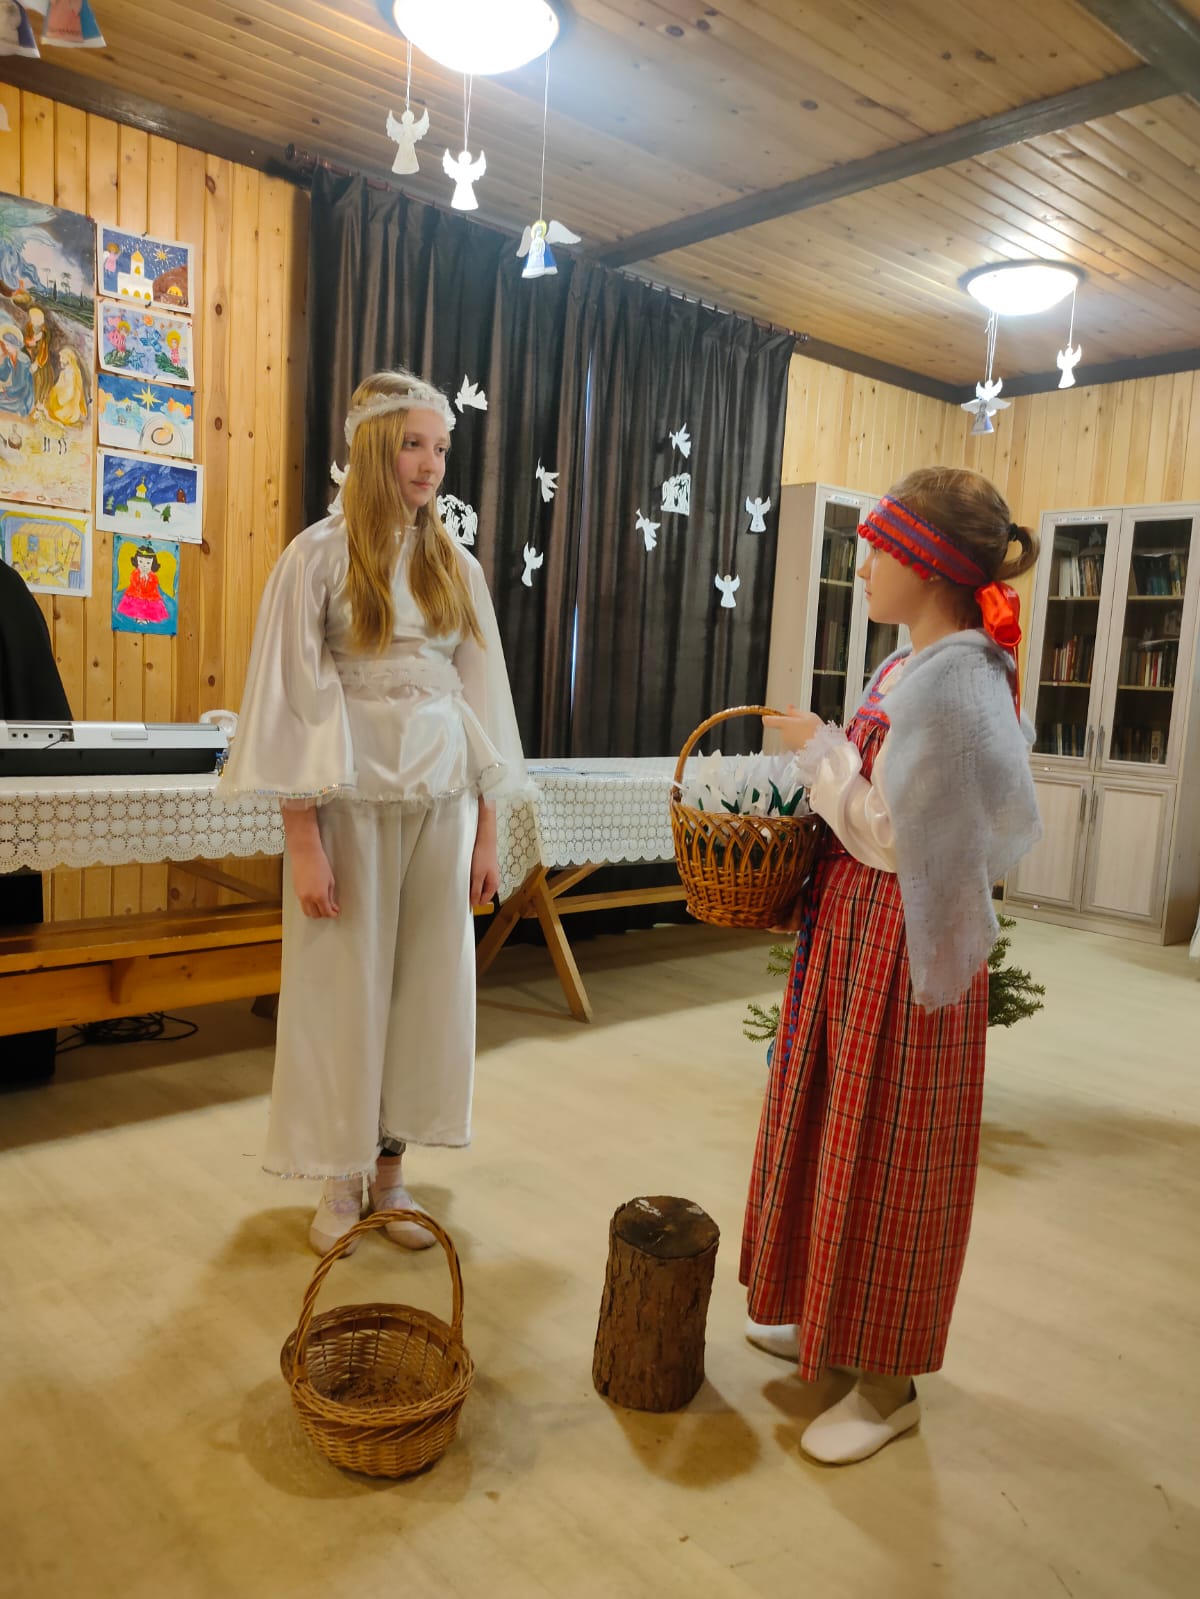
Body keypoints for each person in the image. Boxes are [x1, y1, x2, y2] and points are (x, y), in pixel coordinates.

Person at [740, 467, 1042, 1465]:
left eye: (879, 551)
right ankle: (829, 1320)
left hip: (906, 949)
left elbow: (904, 837)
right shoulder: (910, 663)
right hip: (859, 932)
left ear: (930, 565)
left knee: (892, 1149)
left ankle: (889, 1381)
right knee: (838, 1123)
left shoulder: (955, 684)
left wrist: (820, 751)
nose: (863, 567)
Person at [218, 369, 529, 1256]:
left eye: (441, 448)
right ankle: (338, 1173)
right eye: (413, 445)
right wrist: (303, 840)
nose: (430, 464)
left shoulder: (456, 566)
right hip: (349, 803)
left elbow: (482, 702)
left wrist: (488, 832)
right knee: (342, 986)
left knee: (424, 986)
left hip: (440, 803)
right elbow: (290, 704)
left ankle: (392, 1169)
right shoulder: (316, 557)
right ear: (375, 447)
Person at [0, 554, 72, 1088]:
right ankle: (21, 1056)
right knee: (16, 921)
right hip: (17, 797)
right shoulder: (11, 587)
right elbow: (51, 714)